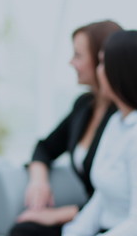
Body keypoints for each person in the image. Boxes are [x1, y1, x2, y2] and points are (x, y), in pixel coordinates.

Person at [9, 20, 122, 236]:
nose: (71, 63)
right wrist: (39, 182)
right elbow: (45, 147)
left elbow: (117, 199)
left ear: (103, 60)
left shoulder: (124, 120)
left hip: (107, 219)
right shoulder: (84, 106)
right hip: (86, 216)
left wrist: (58, 214)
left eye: (78, 56)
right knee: (24, 229)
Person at [62, 30, 137, 235]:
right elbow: (102, 199)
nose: (99, 71)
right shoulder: (116, 121)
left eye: (102, 63)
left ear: (120, 71)